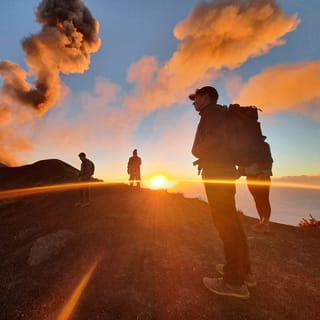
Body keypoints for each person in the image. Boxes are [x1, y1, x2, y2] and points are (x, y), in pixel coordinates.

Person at [190, 86, 255, 299]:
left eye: (196, 97)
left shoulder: (212, 115)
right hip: (224, 172)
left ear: (207, 97)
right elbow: (221, 145)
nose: (193, 102)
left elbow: (214, 142)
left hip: (218, 174)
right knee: (232, 222)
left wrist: (197, 151)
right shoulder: (220, 114)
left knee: (226, 224)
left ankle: (234, 282)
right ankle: (243, 272)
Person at [240, 140, 273, 233]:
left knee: (263, 199)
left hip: (261, 175)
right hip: (252, 175)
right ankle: (263, 222)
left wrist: (265, 171)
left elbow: (269, 159)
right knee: (258, 199)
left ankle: (265, 224)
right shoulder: (246, 146)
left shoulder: (263, 145)